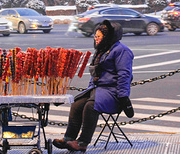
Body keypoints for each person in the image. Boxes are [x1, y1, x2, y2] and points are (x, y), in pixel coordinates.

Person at [53, 20, 134, 152]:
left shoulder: (121, 51)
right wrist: (89, 89)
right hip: (98, 90)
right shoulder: (101, 50)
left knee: (91, 106)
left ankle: (82, 142)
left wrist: (124, 97)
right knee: (77, 104)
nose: (96, 39)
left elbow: (124, 76)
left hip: (113, 93)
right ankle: (69, 138)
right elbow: (95, 74)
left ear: (108, 37)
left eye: (99, 37)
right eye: (95, 36)